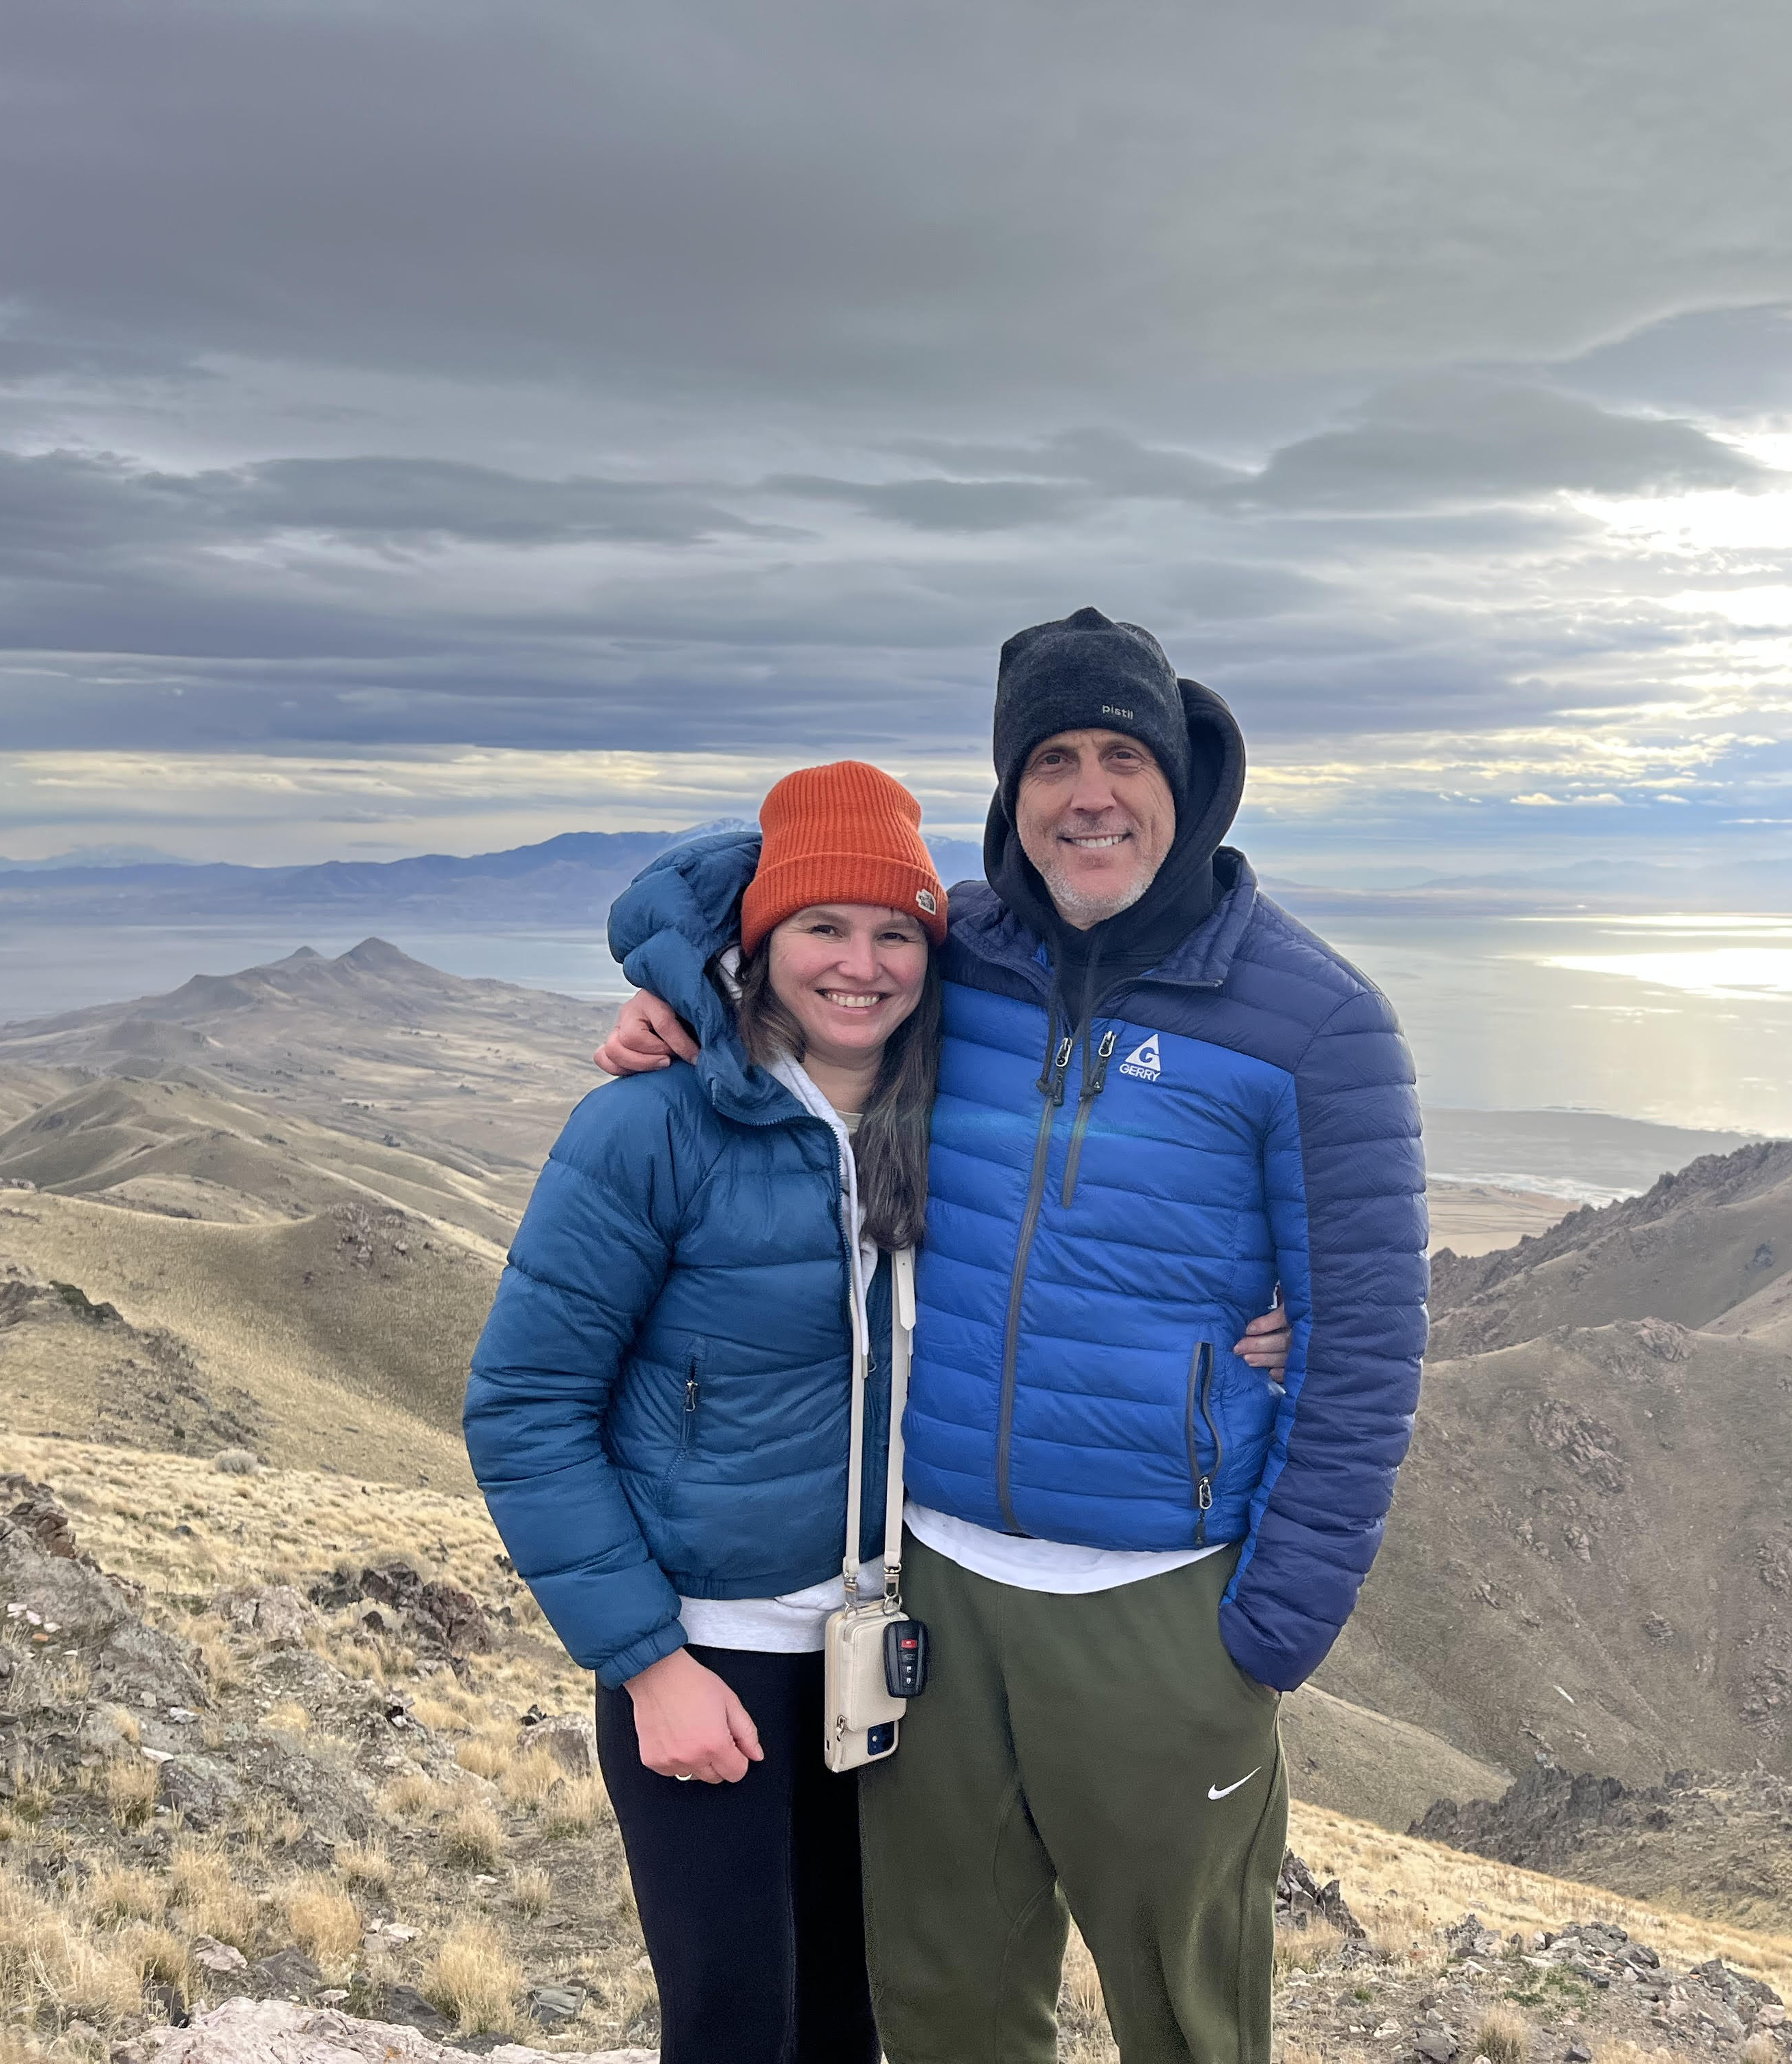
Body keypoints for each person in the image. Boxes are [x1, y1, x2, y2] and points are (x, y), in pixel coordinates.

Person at [595, 608, 1428, 2064]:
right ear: (1009, 791)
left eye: (1120, 754)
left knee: (1191, 2019)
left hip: (1163, 1606)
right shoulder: (952, 954)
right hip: (932, 1600)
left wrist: (1269, 1636)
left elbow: (1365, 1357)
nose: (1087, 792)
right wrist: (674, 998)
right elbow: (783, 895)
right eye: (1051, 759)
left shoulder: (1317, 1022)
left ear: (1186, 776)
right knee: (947, 2011)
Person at [468, 757, 1295, 2064]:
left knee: (867, 2019)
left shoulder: (949, 1117)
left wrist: (1269, 1310)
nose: (861, 965)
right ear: (761, 943)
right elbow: (522, 1406)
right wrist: (647, 1663)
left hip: (906, 1673)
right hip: (714, 1658)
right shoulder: (648, 1129)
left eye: (894, 933)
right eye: (820, 928)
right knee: (739, 2025)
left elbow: (1107, 1236)